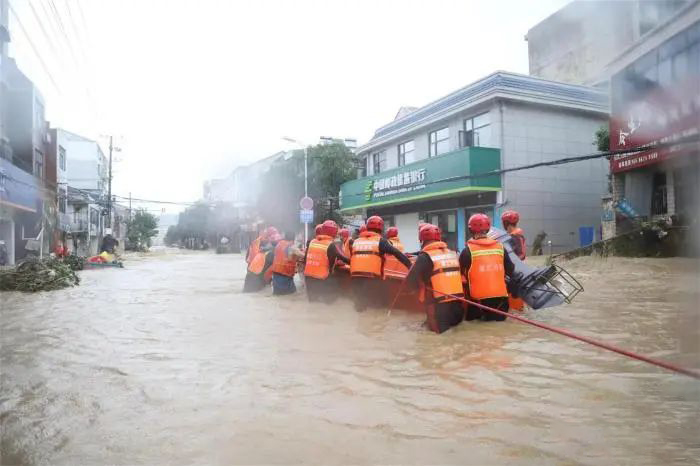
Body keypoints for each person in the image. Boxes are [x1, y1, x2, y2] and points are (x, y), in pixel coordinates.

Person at [405, 224, 465, 334]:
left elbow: (410, 280)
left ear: (422, 239)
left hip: (440, 311)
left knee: (439, 340)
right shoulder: (452, 254)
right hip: (459, 308)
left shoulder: (425, 256)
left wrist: (413, 291)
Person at [459, 213, 515, 321]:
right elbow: (511, 270)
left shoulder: (467, 251)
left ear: (470, 230)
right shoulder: (500, 247)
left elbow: (459, 275)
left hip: (478, 304)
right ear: (488, 229)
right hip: (501, 302)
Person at [350, 216, 411, 311]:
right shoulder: (380, 241)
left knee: (359, 305)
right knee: (379, 305)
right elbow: (397, 253)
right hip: (371, 278)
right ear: (381, 229)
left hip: (354, 278)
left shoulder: (355, 242)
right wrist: (410, 267)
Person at [304, 220, 349, 303]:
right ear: (334, 232)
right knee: (331, 300)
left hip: (308, 278)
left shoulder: (312, 242)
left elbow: (305, 259)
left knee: (313, 303)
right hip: (322, 278)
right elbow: (343, 258)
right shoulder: (330, 245)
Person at [501, 210, 526, 311]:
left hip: (514, 273)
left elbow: (520, 255)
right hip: (519, 271)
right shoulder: (517, 235)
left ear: (505, 223)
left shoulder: (514, 237)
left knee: (514, 308)